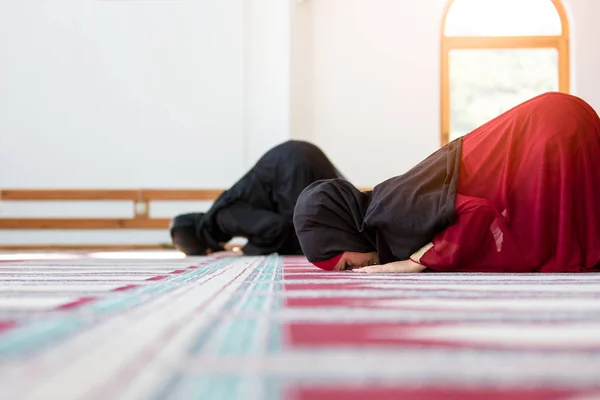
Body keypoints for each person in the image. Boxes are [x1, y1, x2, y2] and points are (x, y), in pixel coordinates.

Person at [293, 92, 600, 274]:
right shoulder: (387, 202)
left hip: (550, 129)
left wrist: (417, 261)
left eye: (348, 265)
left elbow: (477, 213)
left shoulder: (390, 208)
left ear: (344, 232)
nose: (360, 270)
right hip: (553, 118)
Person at [170, 140, 345, 256]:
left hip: (292, 164)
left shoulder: (223, 217)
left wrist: (246, 251)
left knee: (300, 234)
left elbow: (276, 228)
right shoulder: (221, 210)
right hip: (301, 152)